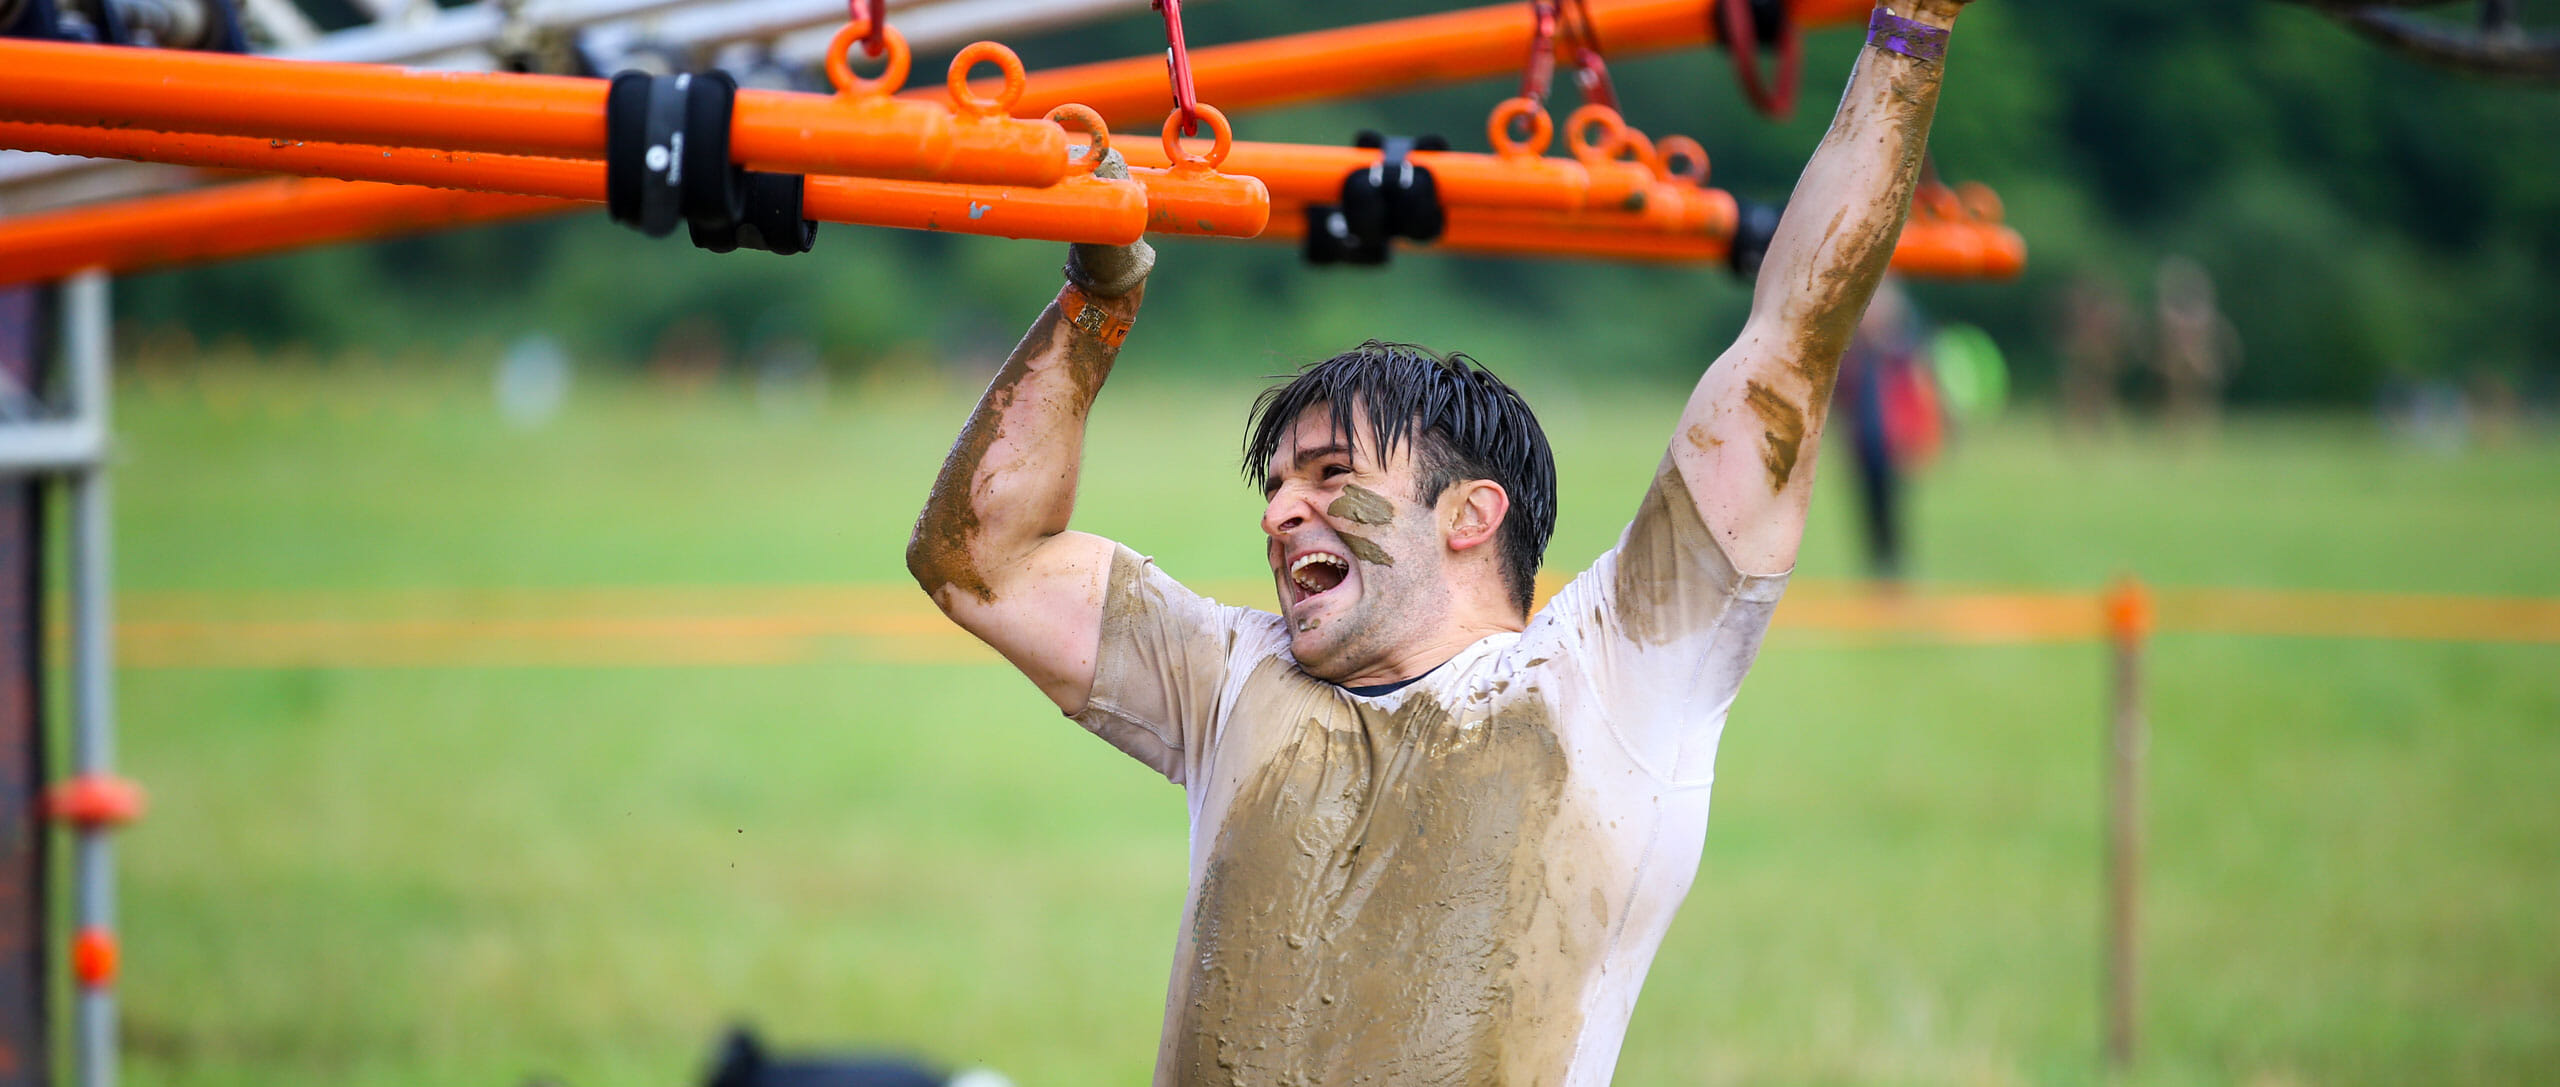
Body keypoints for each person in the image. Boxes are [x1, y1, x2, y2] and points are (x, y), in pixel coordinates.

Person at [905, 1, 1979, 1081]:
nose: (1281, 514)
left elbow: (1787, 344)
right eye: (1275, 487)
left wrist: (1910, 32)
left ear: (1470, 515)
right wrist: (1097, 298)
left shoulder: (1610, 676)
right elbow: (979, 559)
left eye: (1333, 479)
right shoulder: (1228, 678)